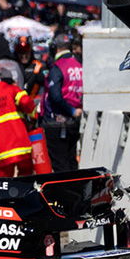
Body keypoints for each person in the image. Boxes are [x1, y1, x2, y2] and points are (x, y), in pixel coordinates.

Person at [42, 33, 84, 172]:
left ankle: (66, 193)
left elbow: (55, 96)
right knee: (71, 161)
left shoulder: (58, 66)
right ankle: (76, 191)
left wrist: (71, 110)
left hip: (57, 122)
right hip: (74, 123)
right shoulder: (79, 65)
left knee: (60, 165)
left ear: (55, 48)